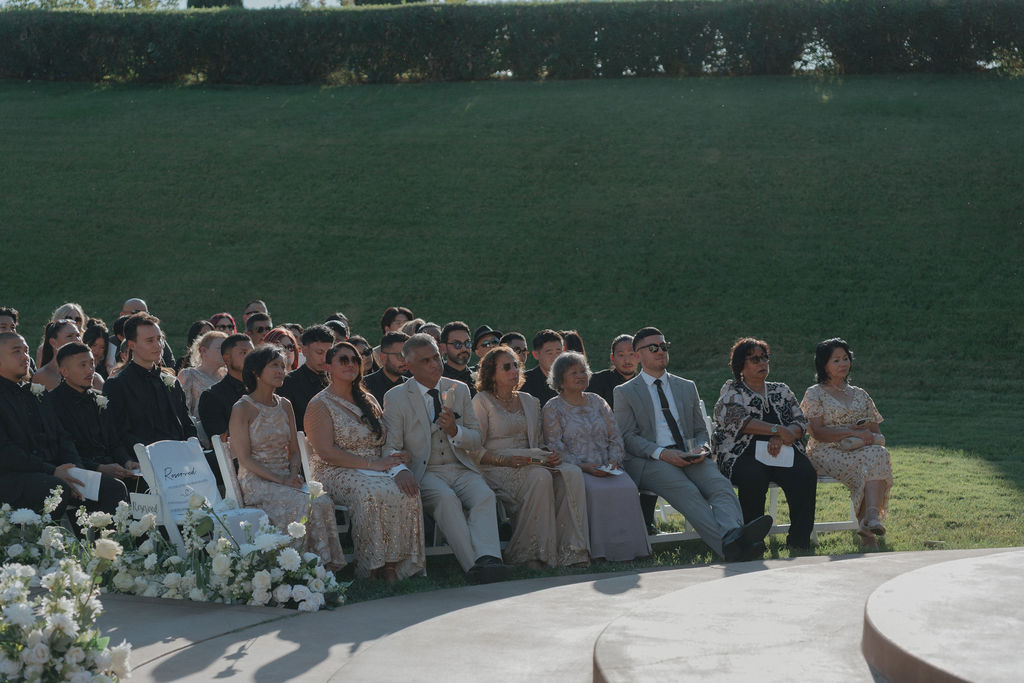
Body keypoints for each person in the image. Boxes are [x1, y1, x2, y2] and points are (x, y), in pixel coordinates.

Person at [614, 327, 771, 562]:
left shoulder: (686, 386)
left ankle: (733, 539)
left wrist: (703, 448)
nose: (661, 351)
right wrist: (663, 454)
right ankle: (732, 547)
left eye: (664, 346)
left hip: (690, 455)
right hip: (651, 460)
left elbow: (700, 430)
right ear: (638, 355)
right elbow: (627, 437)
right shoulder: (625, 392)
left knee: (720, 486)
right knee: (688, 493)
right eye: (653, 348)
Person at [382, 333, 508, 584]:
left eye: (436, 358)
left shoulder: (458, 389)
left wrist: (455, 431)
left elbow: (476, 439)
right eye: (426, 361)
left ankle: (489, 559)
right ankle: (474, 566)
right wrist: (400, 471)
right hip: (426, 471)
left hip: (460, 466)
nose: (434, 365)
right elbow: (391, 446)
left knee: (484, 495)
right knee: (446, 499)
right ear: (410, 366)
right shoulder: (396, 397)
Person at [305, 342, 425, 582]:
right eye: (343, 360)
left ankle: (393, 564)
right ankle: (370, 567)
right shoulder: (319, 404)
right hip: (334, 470)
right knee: (369, 492)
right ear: (328, 367)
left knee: (407, 490)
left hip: (376, 466)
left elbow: (385, 439)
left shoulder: (368, 399)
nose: (350, 364)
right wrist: (371, 465)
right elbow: (325, 451)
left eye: (355, 360)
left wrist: (400, 457)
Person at [228, 345, 346, 570]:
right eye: (274, 366)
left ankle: (323, 565)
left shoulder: (285, 404)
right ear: (255, 372)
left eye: (283, 366)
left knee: (321, 500)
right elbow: (244, 459)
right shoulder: (242, 408)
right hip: (256, 480)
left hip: (286, 476)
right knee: (302, 502)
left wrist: (292, 474)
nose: (281, 371)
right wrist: (281, 480)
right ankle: (295, 565)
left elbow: (294, 450)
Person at [473, 346, 590, 568]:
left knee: (571, 473)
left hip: (531, 460)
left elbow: (538, 443)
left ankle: (571, 552)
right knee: (540, 477)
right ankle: (530, 554)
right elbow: (474, 450)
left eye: (516, 365)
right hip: (496, 466)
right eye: (506, 367)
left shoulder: (529, 401)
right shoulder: (482, 401)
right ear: (491, 373)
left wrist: (550, 456)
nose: (514, 371)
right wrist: (505, 460)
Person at [0, 333, 128, 517]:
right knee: (56, 489)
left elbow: (62, 438)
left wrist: (76, 471)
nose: (25, 357)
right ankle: (50, 536)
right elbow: (6, 452)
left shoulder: (36, 394)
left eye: (26, 351)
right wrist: (52, 471)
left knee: (113, 488)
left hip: (49, 471)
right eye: (16, 352)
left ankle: (105, 536)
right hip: (13, 476)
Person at [711, 339, 817, 550]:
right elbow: (739, 421)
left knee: (805, 473)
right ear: (740, 366)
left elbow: (801, 422)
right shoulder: (732, 390)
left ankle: (799, 541)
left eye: (764, 358)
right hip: (742, 453)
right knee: (753, 477)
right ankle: (752, 542)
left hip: (782, 450)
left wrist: (781, 436)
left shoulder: (781, 390)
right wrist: (777, 430)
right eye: (755, 359)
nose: (762, 363)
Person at [543, 352, 650, 562]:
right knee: (595, 490)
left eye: (583, 371)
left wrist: (613, 461)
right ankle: (601, 552)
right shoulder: (553, 408)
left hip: (608, 466)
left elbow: (615, 436)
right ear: (560, 380)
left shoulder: (597, 401)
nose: (581, 375)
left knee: (627, 486)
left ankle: (633, 550)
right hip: (578, 470)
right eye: (574, 373)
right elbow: (555, 447)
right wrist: (584, 466)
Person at [801, 338, 893, 549]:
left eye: (845, 358)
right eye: (836, 360)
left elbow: (875, 431)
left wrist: (865, 437)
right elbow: (817, 432)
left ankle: (870, 519)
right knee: (870, 461)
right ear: (823, 365)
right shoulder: (814, 393)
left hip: (859, 449)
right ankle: (867, 530)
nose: (843, 364)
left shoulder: (860, 394)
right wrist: (851, 431)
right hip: (824, 451)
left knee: (879, 453)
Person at [46, 342, 141, 485]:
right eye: (83, 365)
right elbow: (61, 452)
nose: (90, 370)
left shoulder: (99, 399)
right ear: (65, 372)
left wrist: (127, 462)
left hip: (111, 466)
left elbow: (114, 440)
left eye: (92, 364)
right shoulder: (51, 403)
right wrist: (99, 468)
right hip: (79, 472)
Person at [103, 313, 197, 451]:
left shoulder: (171, 382)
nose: (158, 345)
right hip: (143, 456)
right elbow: (118, 433)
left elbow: (186, 424)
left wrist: (193, 448)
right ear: (132, 345)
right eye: (150, 341)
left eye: (159, 339)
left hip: (182, 453)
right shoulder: (117, 385)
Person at [198, 334, 254, 439]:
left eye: (252, 353)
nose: (250, 358)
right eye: (244, 353)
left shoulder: (261, 388)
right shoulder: (212, 396)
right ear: (227, 359)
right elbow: (222, 441)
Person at [278, 324, 333, 430]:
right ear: (304, 350)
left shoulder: (337, 378)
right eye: (319, 352)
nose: (324, 358)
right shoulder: (288, 383)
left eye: (329, 353)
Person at [33, 320, 102, 392]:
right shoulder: (41, 376)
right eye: (70, 336)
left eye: (78, 335)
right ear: (53, 342)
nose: (77, 340)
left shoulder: (94, 378)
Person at [177, 330, 228, 417]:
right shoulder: (189, 375)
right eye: (220, 348)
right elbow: (183, 411)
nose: (225, 352)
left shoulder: (226, 375)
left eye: (227, 348)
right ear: (203, 351)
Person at [520, 329, 563, 407]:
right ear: (536, 355)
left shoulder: (571, 378)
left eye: (558, 352)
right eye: (550, 353)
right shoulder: (524, 382)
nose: (555, 357)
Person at [363, 332, 409, 406]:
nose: (405, 360)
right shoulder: (364, 386)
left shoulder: (412, 386)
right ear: (383, 358)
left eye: (407, 355)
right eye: (400, 355)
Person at [439, 321, 476, 394]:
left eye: (467, 343)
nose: (464, 349)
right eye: (457, 344)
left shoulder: (478, 380)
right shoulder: (437, 379)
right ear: (444, 348)